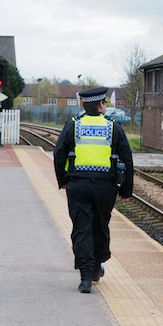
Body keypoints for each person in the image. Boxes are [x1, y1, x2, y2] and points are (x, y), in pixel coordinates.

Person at [53, 86, 133, 293]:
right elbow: (127, 159)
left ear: (83, 104)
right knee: (100, 225)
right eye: (105, 103)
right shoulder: (113, 127)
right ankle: (97, 266)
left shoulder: (73, 126)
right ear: (100, 105)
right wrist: (126, 190)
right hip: (105, 186)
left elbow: (59, 154)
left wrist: (62, 180)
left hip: (78, 184)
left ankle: (85, 277)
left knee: (81, 228)